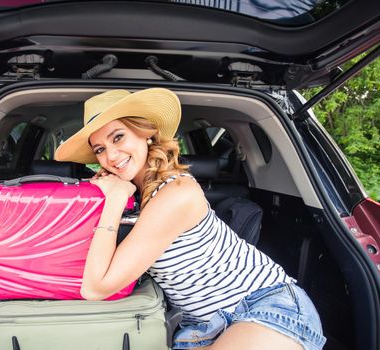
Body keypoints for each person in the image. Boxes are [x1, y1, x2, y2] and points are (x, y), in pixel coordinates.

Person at [54, 88, 326, 350]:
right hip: (201, 326)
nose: (110, 156)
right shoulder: (137, 195)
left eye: (118, 138)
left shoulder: (177, 192)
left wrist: (113, 199)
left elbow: (96, 288)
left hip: (264, 306)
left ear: (146, 134)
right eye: (99, 149)